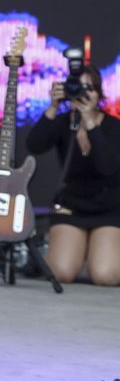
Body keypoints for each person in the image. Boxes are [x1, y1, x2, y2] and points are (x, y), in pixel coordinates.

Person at [26, 67, 120, 285]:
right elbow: (34, 145)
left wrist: (89, 122)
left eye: (90, 88)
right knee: (60, 273)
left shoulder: (114, 126)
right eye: (78, 88)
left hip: (109, 208)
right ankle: (83, 252)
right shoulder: (63, 122)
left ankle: (102, 252)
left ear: (99, 93)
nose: (84, 94)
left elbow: (108, 168)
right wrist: (53, 106)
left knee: (105, 276)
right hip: (72, 206)